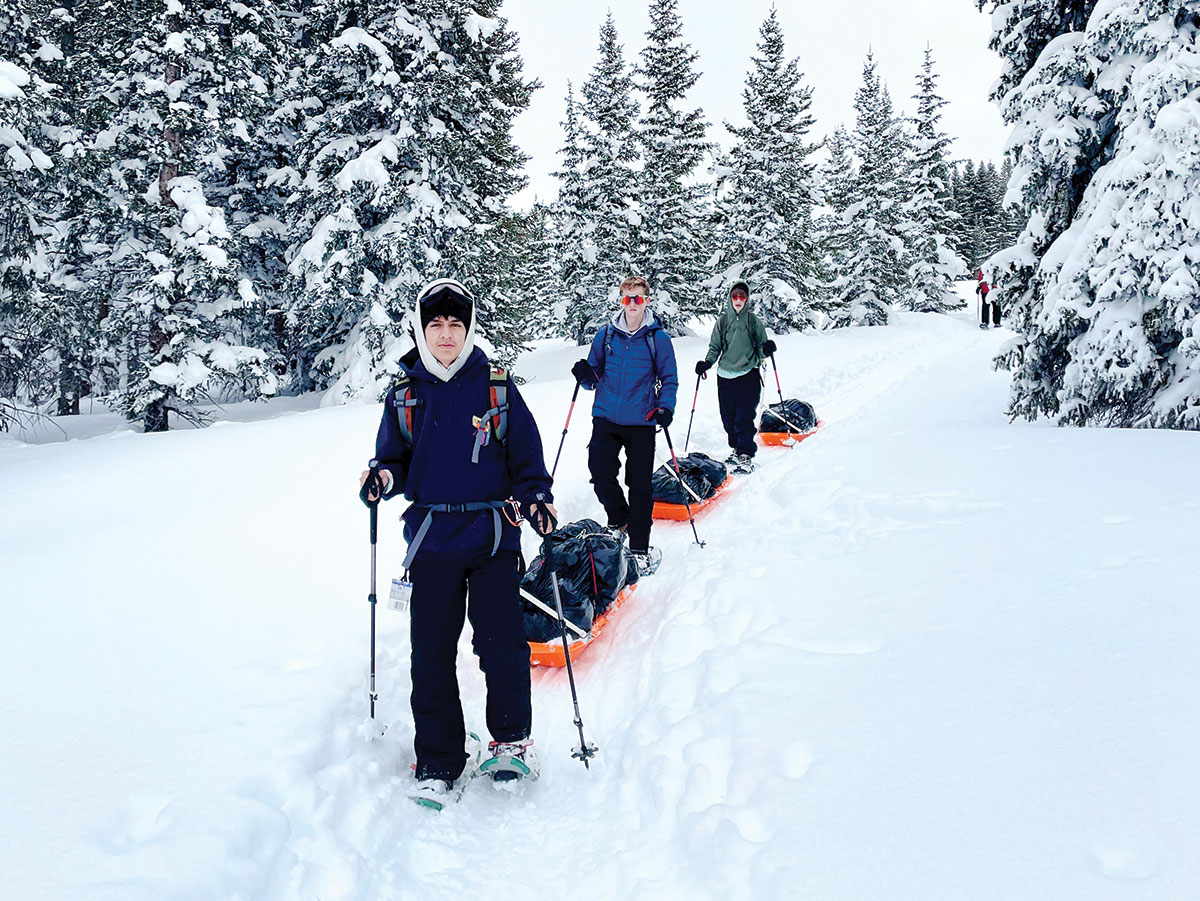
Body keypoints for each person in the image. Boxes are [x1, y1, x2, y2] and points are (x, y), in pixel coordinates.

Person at [360, 277, 558, 808]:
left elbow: (527, 459)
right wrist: (381, 477)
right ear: (422, 330)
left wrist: (536, 496)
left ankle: (512, 742)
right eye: (435, 324)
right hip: (430, 540)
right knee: (431, 654)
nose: (445, 333)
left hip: (493, 537)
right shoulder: (405, 394)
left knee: (501, 645)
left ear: (469, 328)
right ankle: (440, 758)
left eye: (455, 323)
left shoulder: (496, 387)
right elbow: (393, 459)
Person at [570, 276, 678, 576]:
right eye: (627, 298)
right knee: (600, 472)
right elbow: (592, 378)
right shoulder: (605, 335)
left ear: (647, 302)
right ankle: (619, 520)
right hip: (605, 416)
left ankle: (640, 548)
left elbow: (669, 378)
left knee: (639, 484)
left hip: (641, 420)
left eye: (638, 299)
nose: (632, 304)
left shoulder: (658, 339)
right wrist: (584, 373)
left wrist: (666, 407)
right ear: (620, 300)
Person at [695, 281, 776, 472]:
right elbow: (715, 347)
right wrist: (707, 363)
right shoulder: (722, 322)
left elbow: (760, 347)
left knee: (744, 417)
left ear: (747, 299)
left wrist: (766, 349)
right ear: (730, 298)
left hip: (748, 374)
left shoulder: (753, 321)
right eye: (735, 296)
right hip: (724, 375)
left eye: (742, 296)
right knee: (728, 418)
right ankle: (735, 449)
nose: (738, 300)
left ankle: (745, 454)